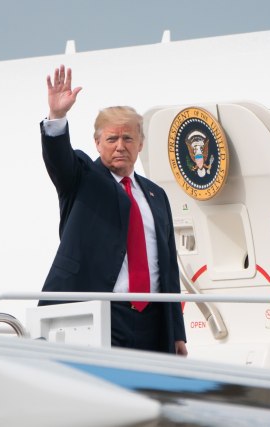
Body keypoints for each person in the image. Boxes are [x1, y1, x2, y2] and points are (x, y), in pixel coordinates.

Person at [39, 64, 187, 356]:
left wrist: (177, 333)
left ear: (141, 143)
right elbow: (59, 159)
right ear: (97, 143)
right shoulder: (82, 178)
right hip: (101, 315)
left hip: (154, 322)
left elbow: (168, 268)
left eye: (128, 138)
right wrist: (57, 117)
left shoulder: (156, 195)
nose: (120, 146)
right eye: (112, 139)